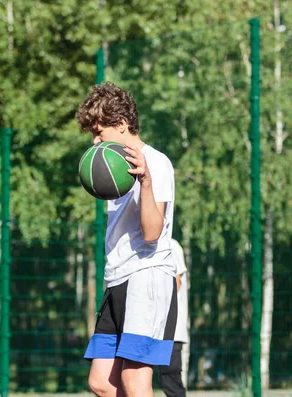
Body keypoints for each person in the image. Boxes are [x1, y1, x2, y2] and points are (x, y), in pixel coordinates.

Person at [76, 82, 177, 397]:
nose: (95, 140)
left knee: (135, 381)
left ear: (120, 125)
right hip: (118, 279)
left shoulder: (155, 163)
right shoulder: (116, 167)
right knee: (102, 383)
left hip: (147, 278)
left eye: (98, 131)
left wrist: (145, 181)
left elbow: (151, 232)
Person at [159, 239, 190, 397]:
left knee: (171, 380)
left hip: (170, 330)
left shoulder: (170, 245)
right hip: (151, 327)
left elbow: (175, 282)